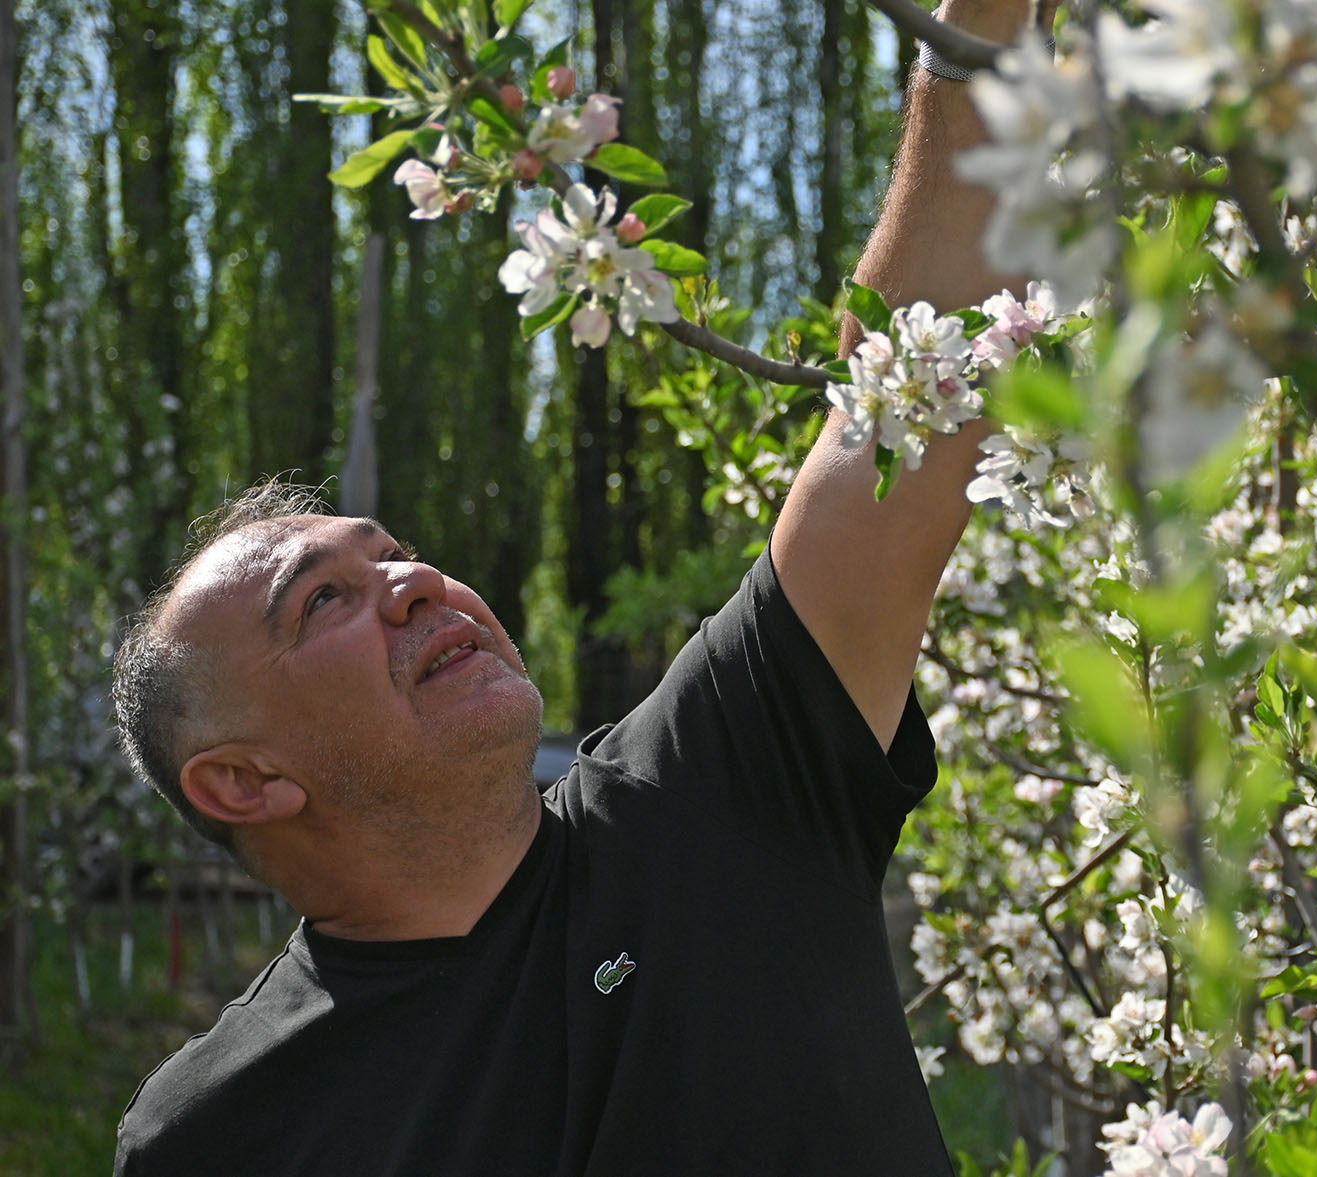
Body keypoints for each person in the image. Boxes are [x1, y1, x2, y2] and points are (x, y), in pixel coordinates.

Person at [110, 1, 1041, 1172]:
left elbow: (916, 363)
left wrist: (981, 27)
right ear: (243, 780)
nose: (412, 581)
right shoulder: (214, 1136)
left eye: (391, 550)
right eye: (322, 602)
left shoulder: (725, 783)